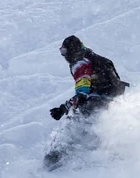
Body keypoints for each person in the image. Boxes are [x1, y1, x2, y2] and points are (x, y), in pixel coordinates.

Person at [44, 35, 129, 170]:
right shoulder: (93, 58)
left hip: (95, 102)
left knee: (71, 130)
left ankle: (53, 165)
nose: (64, 56)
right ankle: (110, 160)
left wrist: (63, 108)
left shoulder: (80, 62)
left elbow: (82, 92)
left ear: (71, 50)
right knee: (96, 130)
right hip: (109, 101)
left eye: (64, 52)